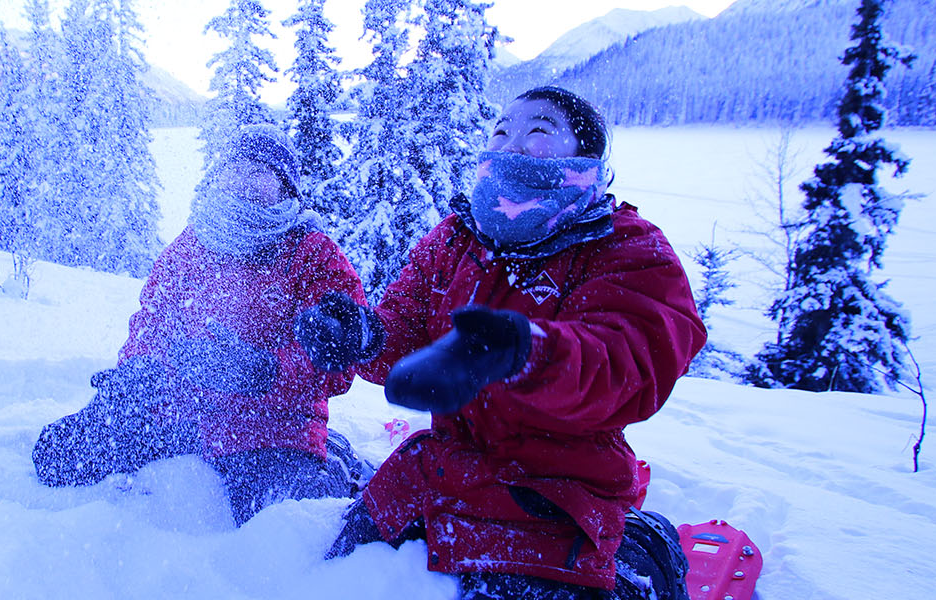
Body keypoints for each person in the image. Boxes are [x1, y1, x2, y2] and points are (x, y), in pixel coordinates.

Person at [296, 87, 706, 599]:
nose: (512, 144)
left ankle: (645, 552)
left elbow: (630, 364)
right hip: (438, 475)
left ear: (586, 157)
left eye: (537, 131)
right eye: (501, 131)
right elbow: (402, 334)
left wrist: (523, 353)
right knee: (332, 578)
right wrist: (362, 336)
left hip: (559, 494)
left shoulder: (626, 247)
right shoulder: (454, 240)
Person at [33, 124, 382, 527]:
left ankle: (337, 466)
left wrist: (264, 371)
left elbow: (339, 356)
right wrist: (138, 372)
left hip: (271, 427)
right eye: (235, 168)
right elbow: (154, 316)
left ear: (285, 185)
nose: (244, 182)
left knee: (277, 523)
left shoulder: (312, 254)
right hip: (181, 412)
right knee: (60, 456)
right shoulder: (195, 241)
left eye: (260, 172)